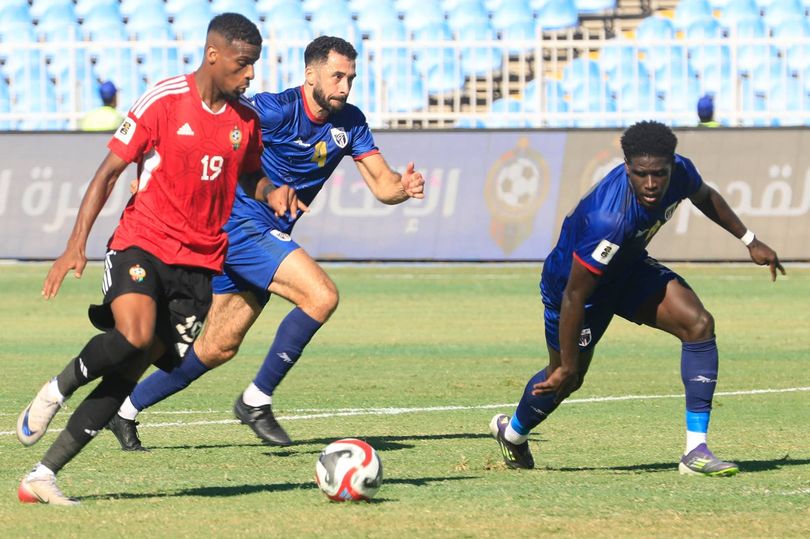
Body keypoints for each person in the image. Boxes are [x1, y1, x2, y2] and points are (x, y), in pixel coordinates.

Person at [105, 35, 425, 451]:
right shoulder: (274, 110)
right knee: (321, 296)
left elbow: (384, 186)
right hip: (237, 225)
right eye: (337, 77)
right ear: (310, 74)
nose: (344, 87)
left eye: (351, 78)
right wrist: (161, 166)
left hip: (262, 237)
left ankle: (124, 410)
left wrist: (405, 186)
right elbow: (211, 129)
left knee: (217, 347)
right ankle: (256, 401)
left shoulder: (351, 122)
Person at [16, 13, 269, 505]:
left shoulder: (245, 121)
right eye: (243, 65)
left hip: (198, 264)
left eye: (254, 66)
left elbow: (249, 174)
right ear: (213, 55)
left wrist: (271, 191)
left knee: (132, 367)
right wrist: (76, 243)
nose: (250, 76)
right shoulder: (164, 100)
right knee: (133, 334)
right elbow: (109, 172)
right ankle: (57, 387)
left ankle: (41, 477)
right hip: (143, 241)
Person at [490, 120, 784, 476]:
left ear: (671, 165)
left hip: (626, 269)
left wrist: (750, 239)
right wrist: (566, 364)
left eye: (659, 174)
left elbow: (705, 196)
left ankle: (695, 452)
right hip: (576, 290)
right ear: (627, 167)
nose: (650, 184)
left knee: (698, 324)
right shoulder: (609, 220)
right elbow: (574, 294)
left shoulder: (682, 172)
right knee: (566, 377)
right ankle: (514, 434)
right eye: (641, 174)